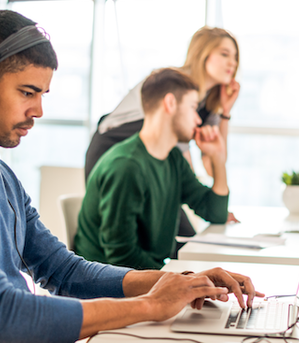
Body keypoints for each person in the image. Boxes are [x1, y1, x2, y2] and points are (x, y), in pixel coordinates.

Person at [0, 10, 262, 343]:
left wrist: (182, 281)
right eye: (28, 92)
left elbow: (64, 271)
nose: (39, 110)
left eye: (43, 94)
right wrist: (151, 306)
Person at [85, 26, 241, 248]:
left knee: (179, 239)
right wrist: (199, 198)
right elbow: (177, 150)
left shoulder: (207, 100)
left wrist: (225, 111)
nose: (232, 63)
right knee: (163, 235)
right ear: (203, 54)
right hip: (115, 148)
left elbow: (211, 163)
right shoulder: (176, 86)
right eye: (224, 54)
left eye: (235, 57)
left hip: (155, 157)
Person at [74, 68, 230, 270]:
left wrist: (218, 159)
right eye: (193, 107)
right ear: (170, 103)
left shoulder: (172, 159)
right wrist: (176, 281)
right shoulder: (126, 166)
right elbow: (122, 257)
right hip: (108, 287)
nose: (198, 120)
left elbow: (214, 212)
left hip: (142, 279)